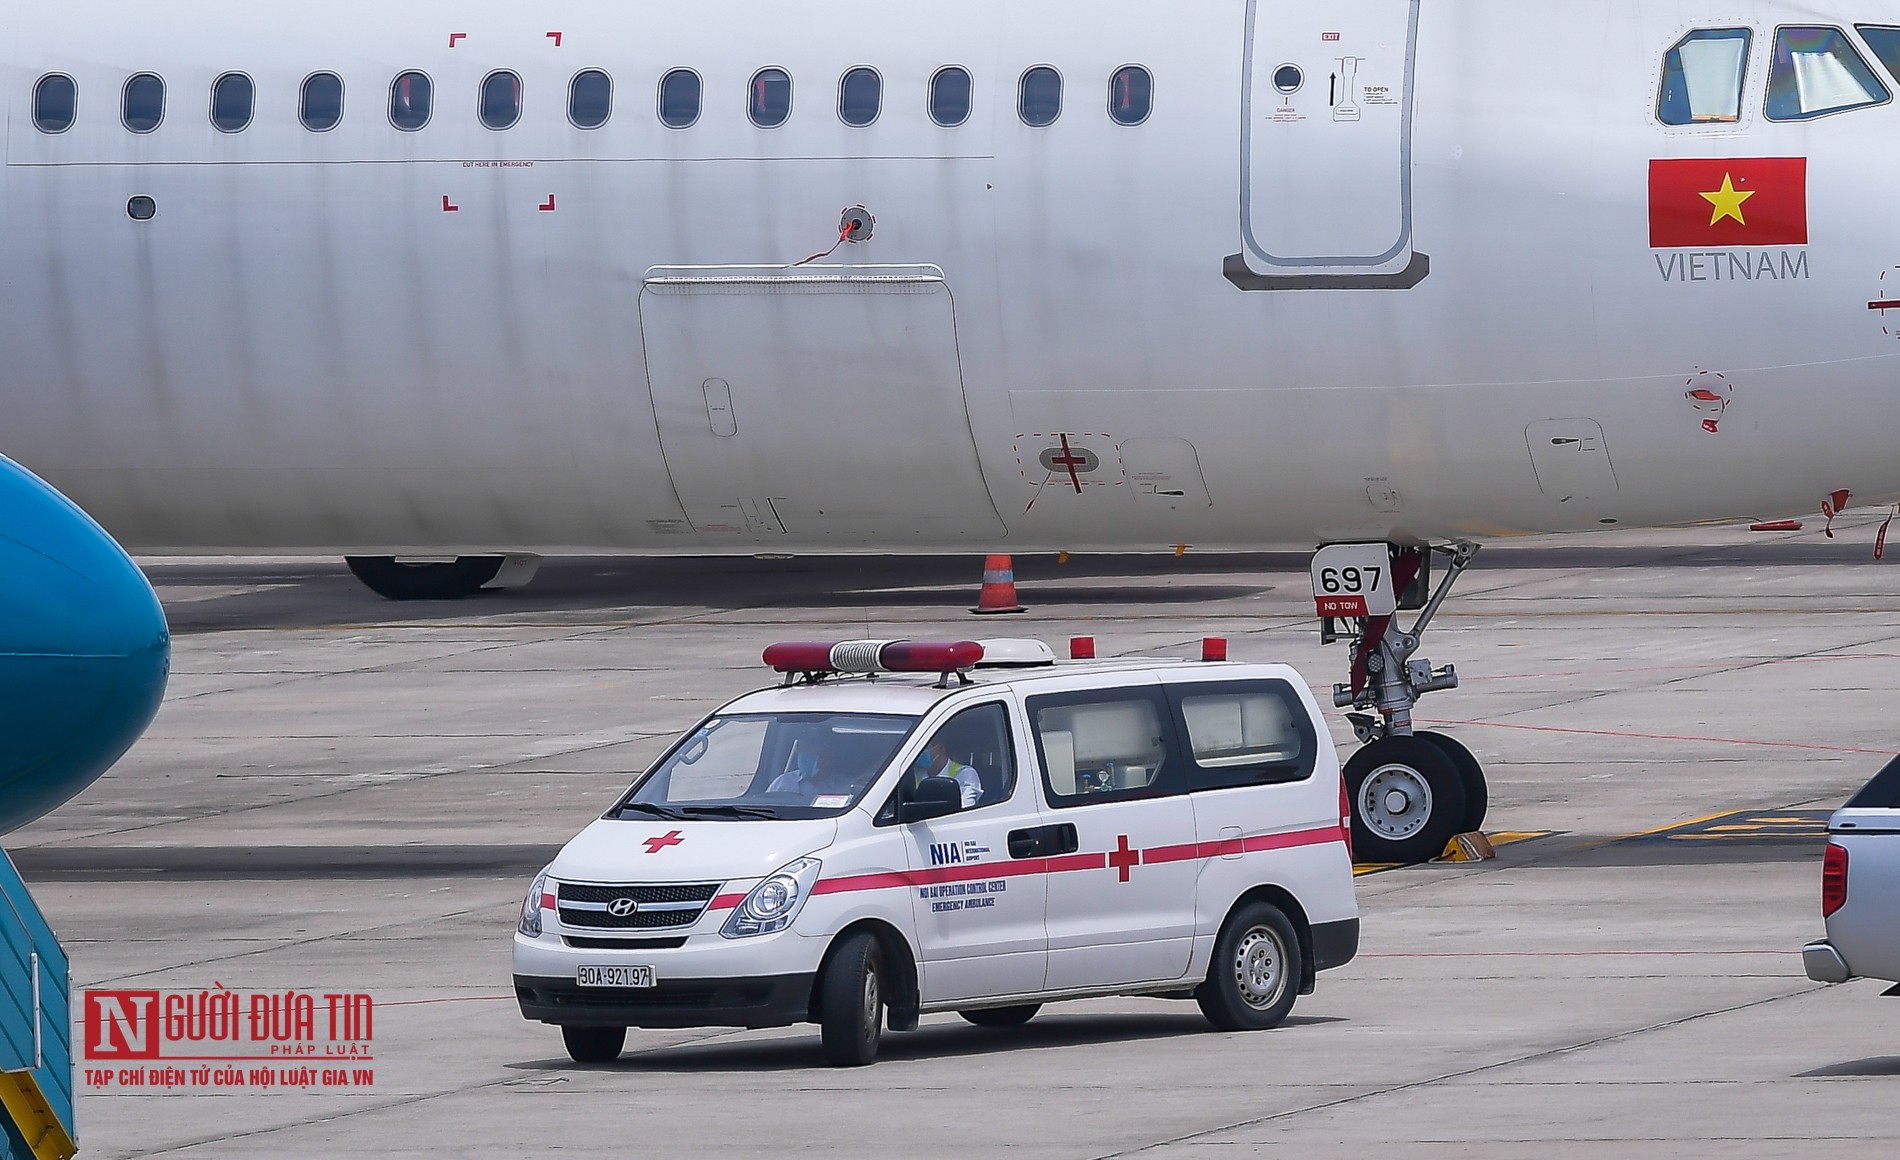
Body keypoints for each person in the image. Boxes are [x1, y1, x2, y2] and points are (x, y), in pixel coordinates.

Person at [912, 738, 983, 809]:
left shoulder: (965, 773)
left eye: (924, 749)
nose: (919, 753)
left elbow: (965, 808)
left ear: (940, 748)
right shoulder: (912, 773)